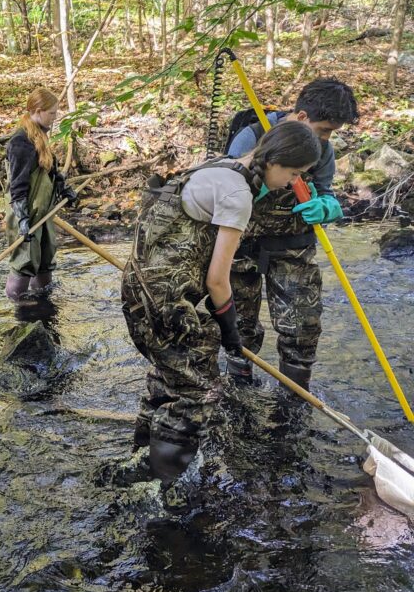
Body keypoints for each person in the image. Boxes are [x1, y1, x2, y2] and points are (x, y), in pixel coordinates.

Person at [121, 121, 322, 481]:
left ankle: (139, 467)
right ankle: (166, 492)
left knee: (170, 376)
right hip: (167, 300)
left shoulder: (217, 166)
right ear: (274, 161)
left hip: (140, 289)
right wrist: (230, 331)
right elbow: (217, 279)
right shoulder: (238, 195)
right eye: (294, 173)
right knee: (196, 391)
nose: (293, 182)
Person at [225, 78, 359, 389]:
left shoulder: (323, 150)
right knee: (240, 329)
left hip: (295, 247)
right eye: (323, 129)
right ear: (301, 118)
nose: (326, 138)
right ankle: (238, 395)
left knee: (302, 329)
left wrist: (326, 206)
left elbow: (326, 190)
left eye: (331, 133)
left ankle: (294, 403)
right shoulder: (252, 136)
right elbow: (227, 189)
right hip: (242, 246)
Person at [4, 87, 78, 301]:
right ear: (38, 111)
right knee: (24, 264)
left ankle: (43, 308)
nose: (55, 118)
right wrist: (23, 219)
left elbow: (51, 171)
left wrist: (65, 190)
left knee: (45, 262)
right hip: (27, 216)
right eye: (52, 113)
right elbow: (17, 187)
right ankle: (20, 313)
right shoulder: (20, 142)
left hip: (43, 213)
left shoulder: (41, 136)